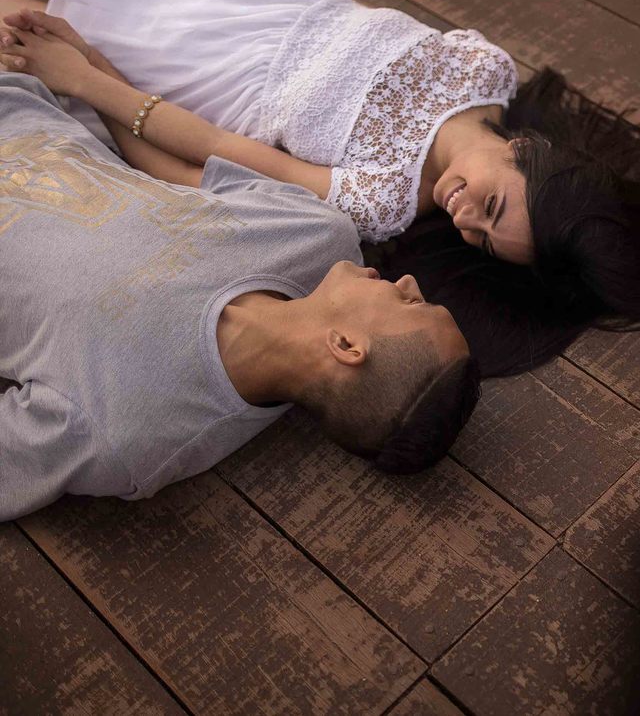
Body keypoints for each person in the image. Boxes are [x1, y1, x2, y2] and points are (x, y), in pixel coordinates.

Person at [0, 0, 640, 376]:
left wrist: (88, 80)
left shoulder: (384, 199)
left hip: (204, 73)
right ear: (524, 148)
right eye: (491, 207)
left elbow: (218, 151)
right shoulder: (483, 68)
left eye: (481, 240)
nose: (463, 220)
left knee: (16, 22)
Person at [0, 70, 481, 521]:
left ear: (346, 345)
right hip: (19, 95)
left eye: (414, 304)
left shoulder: (128, 433)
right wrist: (83, 67)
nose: (408, 282)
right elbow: (177, 167)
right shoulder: (317, 235)